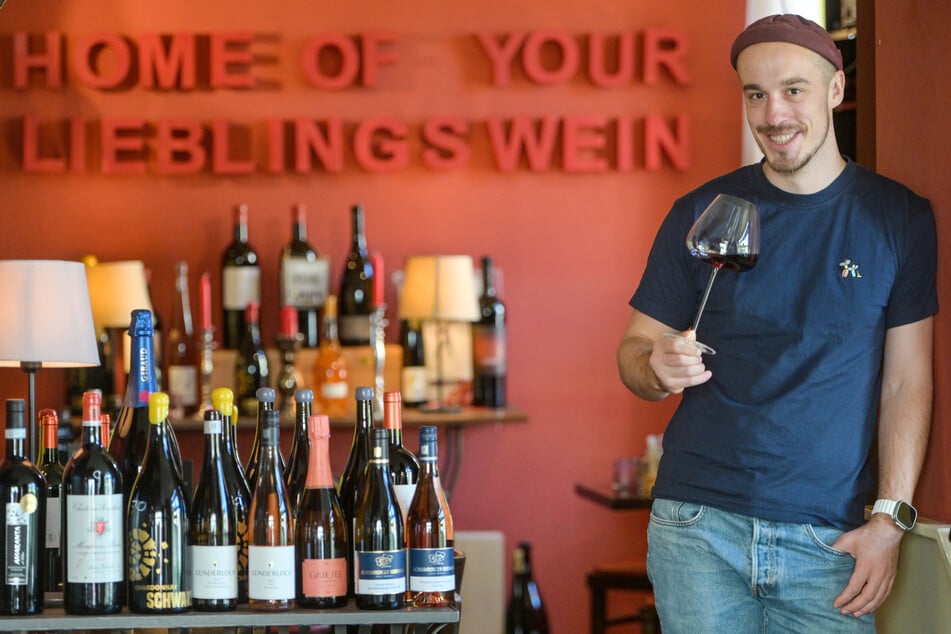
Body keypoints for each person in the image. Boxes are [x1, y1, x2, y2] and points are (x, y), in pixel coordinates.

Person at [616, 13, 937, 633]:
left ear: (835, 91)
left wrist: (889, 521)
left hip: (831, 542)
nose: (774, 114)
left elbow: (907, 381)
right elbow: (634, 351)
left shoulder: (898, 219)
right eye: (756, 95)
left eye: (794, 90)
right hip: (696, 528)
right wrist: (655, 368)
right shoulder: (702, 211)